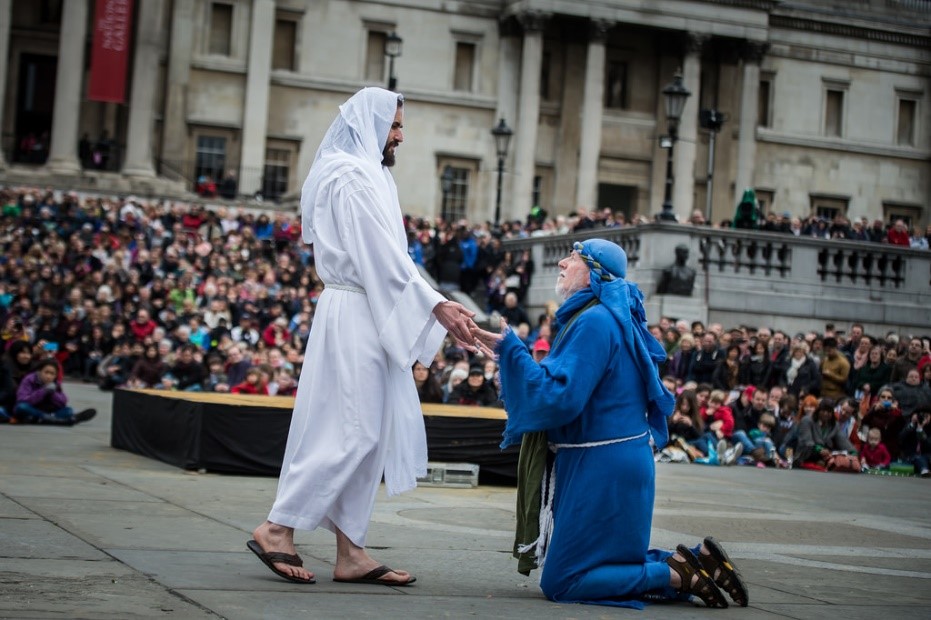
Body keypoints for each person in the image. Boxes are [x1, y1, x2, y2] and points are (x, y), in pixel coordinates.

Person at [249, 88, 477, 586]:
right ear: (370, 125)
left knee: (365, 431)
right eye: (393, 126)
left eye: (400, 127)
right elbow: (379, 255)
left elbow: (391, 258)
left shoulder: (369, 174)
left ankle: (350, 550)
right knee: (353, 428)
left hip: (367, 306)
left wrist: (435, 300)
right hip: (355, 307)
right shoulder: (350, 176)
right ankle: (277, 526)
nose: (399, 135)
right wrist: (436, 304)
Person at [472, 238, 746, 609]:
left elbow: (560, 396)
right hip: (612, 459)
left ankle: (676, 574)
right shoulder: (602, 316)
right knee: (598, 564)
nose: (562, 263)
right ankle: (696, 562)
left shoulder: (596, 321)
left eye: (573, 257)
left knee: (564, 580)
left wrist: (512, 349)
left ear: (594, 272)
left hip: (602, 465)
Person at [13, 359, 96, 425]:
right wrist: (43, 391)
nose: (48, 376)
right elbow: (22, 399)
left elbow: (63, 402)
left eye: (52, 374)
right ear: (39, 372)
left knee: (68, 410)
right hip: (33, 409)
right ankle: (57, 420)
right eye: (46, 372)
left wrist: (52, 393)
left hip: (49, 411)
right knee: (21, 407)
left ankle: (47, 419)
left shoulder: (55, 384)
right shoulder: (29, 379)